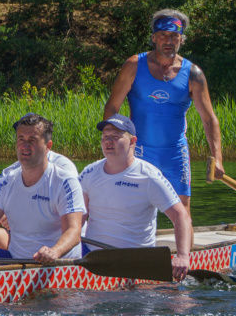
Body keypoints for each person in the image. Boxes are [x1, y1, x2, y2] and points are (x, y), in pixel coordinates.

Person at [103, 8, 223, 212]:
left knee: (182, 213)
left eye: (174, 36)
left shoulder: (193, 74)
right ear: (154, 38)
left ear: (181, 39)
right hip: (139, 151)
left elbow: (209, 119)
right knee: (134, 210)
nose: (168, 41)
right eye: (163, 35)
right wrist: (112, 143)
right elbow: (112, 107)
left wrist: (217, 159)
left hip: (176, 154)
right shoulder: (134, 65)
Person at [78, 114, 193, 281]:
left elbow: (181, 216)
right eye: (105, 137)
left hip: (134, 261)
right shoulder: (89, 172)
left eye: (115, 137)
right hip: (91, 256)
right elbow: (77, 216)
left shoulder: (149, 176)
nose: (108, 141)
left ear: (132, 141)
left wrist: (182, 256)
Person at [0, 113, 86, 263]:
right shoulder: (6, 181)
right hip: (15, 261)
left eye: (32, 140)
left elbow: (73, 231)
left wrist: (54, 251)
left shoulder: (65, 181)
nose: (25, 146)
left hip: (56, 263)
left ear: (48, 146)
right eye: (21, 139)